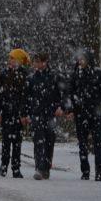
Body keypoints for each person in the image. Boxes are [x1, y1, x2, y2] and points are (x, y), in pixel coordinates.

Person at [65, 49, 101, 181]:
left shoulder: (99, 74)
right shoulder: (76, 75)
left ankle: (100, 170)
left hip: (95, 113)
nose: (80, 62)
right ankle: (85, 170)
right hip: (81, 113)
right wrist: (70, 110)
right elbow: (70, 93)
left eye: (83, 59)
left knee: (98, 142)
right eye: (79, 59)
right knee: (82, 143)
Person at [22, 52, 63, 180]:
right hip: (37, 114)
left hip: (51, 114)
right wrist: (25, 113)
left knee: (49, 142)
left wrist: (61, 107)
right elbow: (27, 98)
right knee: (38, 142)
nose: (36, 64)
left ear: (45, 62)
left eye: (38, 61)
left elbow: (62, 94)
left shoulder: (54, 77)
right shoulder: (31, 78)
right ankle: (39, 167)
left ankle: (46, 167)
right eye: (35, 61)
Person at [0, 48, 30, 178]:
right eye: (10, 58)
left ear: (19, 61)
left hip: (18, 115)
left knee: (17, 143)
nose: (10, 61)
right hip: (6, 113)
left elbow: (26, 97)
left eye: (12, 58)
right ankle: (4, 166)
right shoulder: (3, 74)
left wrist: (24, 114)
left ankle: (16, 168)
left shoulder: (24, 75)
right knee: (6, 142)